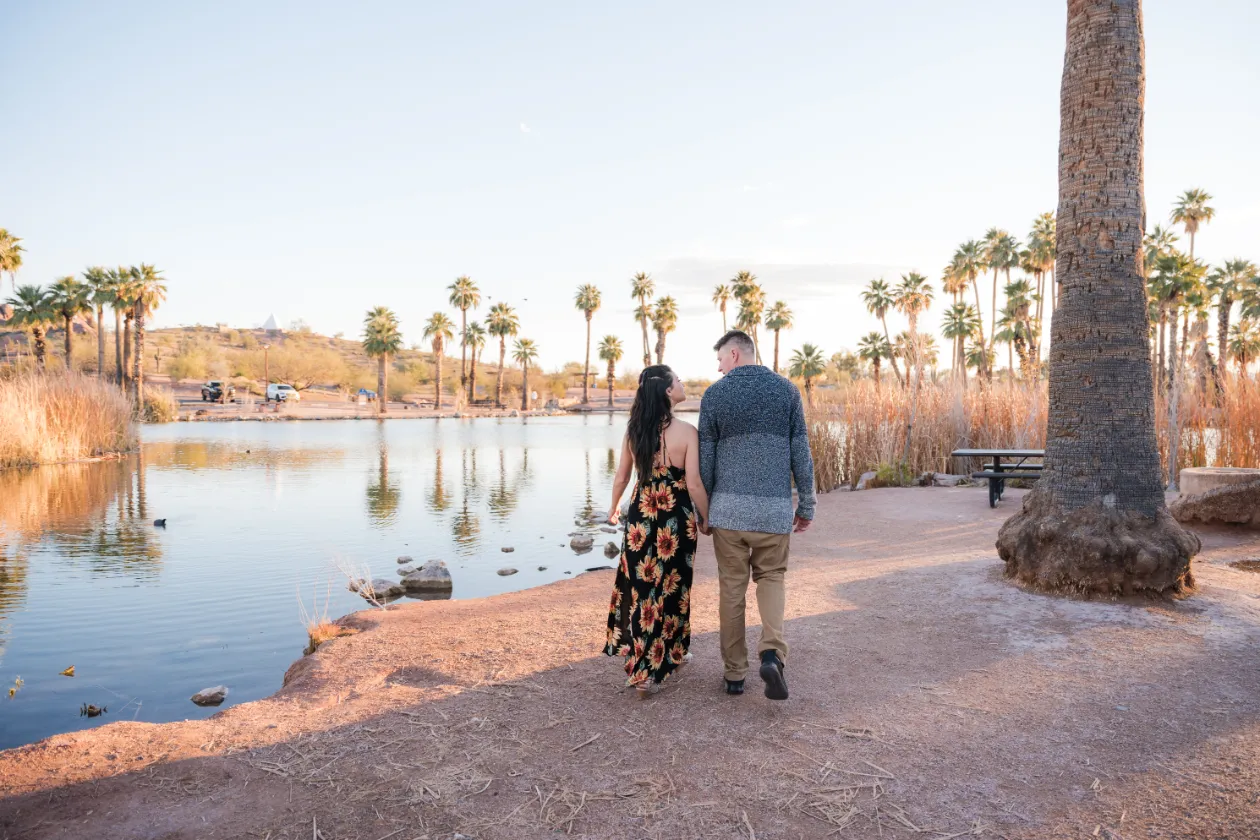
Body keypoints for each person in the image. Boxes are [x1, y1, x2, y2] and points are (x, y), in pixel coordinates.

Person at [699, 329, 815, 700]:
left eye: (719, 359)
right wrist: (807, 504)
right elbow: (801, 451)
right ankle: (771, 654)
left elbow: (706, 460)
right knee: (772, 579)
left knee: (731, 589)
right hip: (772, 510)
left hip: (729, 513)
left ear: (734, 354)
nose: (718, 367)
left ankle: (734, 674)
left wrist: (705, 511)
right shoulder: (786, 390)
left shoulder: (715, 395)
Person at [605, 365, 710, 698]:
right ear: (667, 391)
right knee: (674, 587)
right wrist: (706, 518)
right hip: (676, 518)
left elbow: (622, 477)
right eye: (678, 380)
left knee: (642, 589)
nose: (682, 383)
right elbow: (693, 483)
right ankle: (672, 654)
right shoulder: (687, 432)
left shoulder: (633, 431)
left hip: (641, 516)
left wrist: (613, 507)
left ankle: (642, 665)